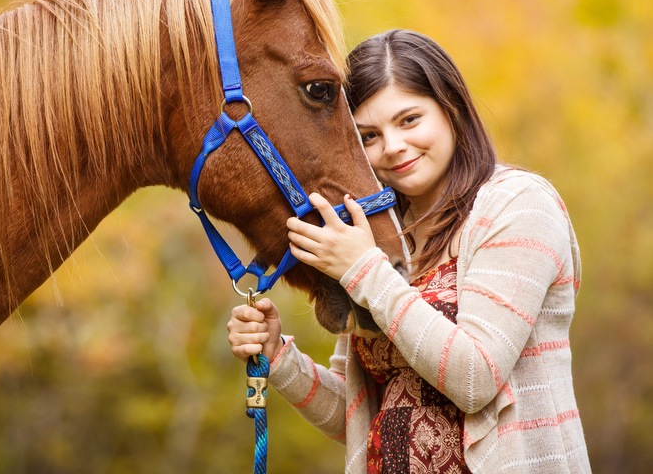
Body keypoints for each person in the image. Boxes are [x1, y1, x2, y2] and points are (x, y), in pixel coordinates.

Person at [226, 29, 591, 473]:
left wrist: (363, 270)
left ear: (451, 108)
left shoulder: (517, 204)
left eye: (409, 120)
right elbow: (356, 413)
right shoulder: (381, 235)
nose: (393, 147)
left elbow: (475, 378)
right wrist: (278, 356)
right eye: (370, 136)